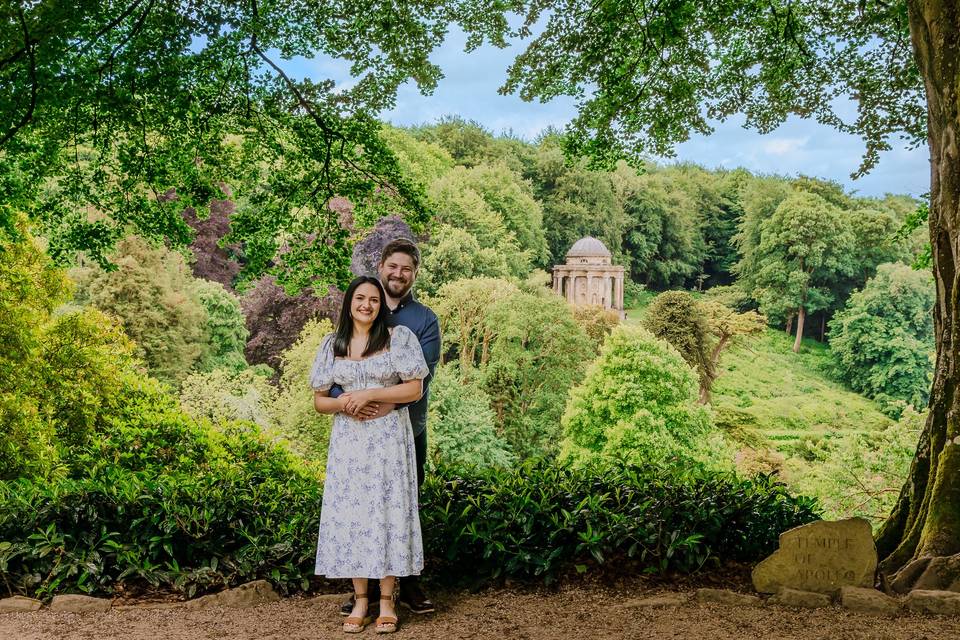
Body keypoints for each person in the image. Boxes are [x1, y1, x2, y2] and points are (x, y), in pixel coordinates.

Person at [311, 275, 430, 634]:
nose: (367, 305)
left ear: (381, 306)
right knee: (354, 514)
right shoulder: (333, 344)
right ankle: (360, 599)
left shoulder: (398, 339)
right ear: (349, 302)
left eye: (374, 300)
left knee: (387, 511)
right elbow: (320, 401)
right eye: (360, 298)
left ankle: (388, 600)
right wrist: (347, 402)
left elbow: (414, 388)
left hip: (389, 438)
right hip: (350, 442)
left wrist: (373, 394)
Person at [331, 238, 440, 616]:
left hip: (406, 426)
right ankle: (365, 592)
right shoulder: (358, 312)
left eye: (406, 269)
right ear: (381, 266)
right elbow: (335, 380)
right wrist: (351, 403)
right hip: (357, 430)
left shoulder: (424, 320)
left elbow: (416, 377)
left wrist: (377, 401)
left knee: (403, 503)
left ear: (414, 274)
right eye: (393, 266)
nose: (398, 274)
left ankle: (406, 585)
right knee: (361, 504)